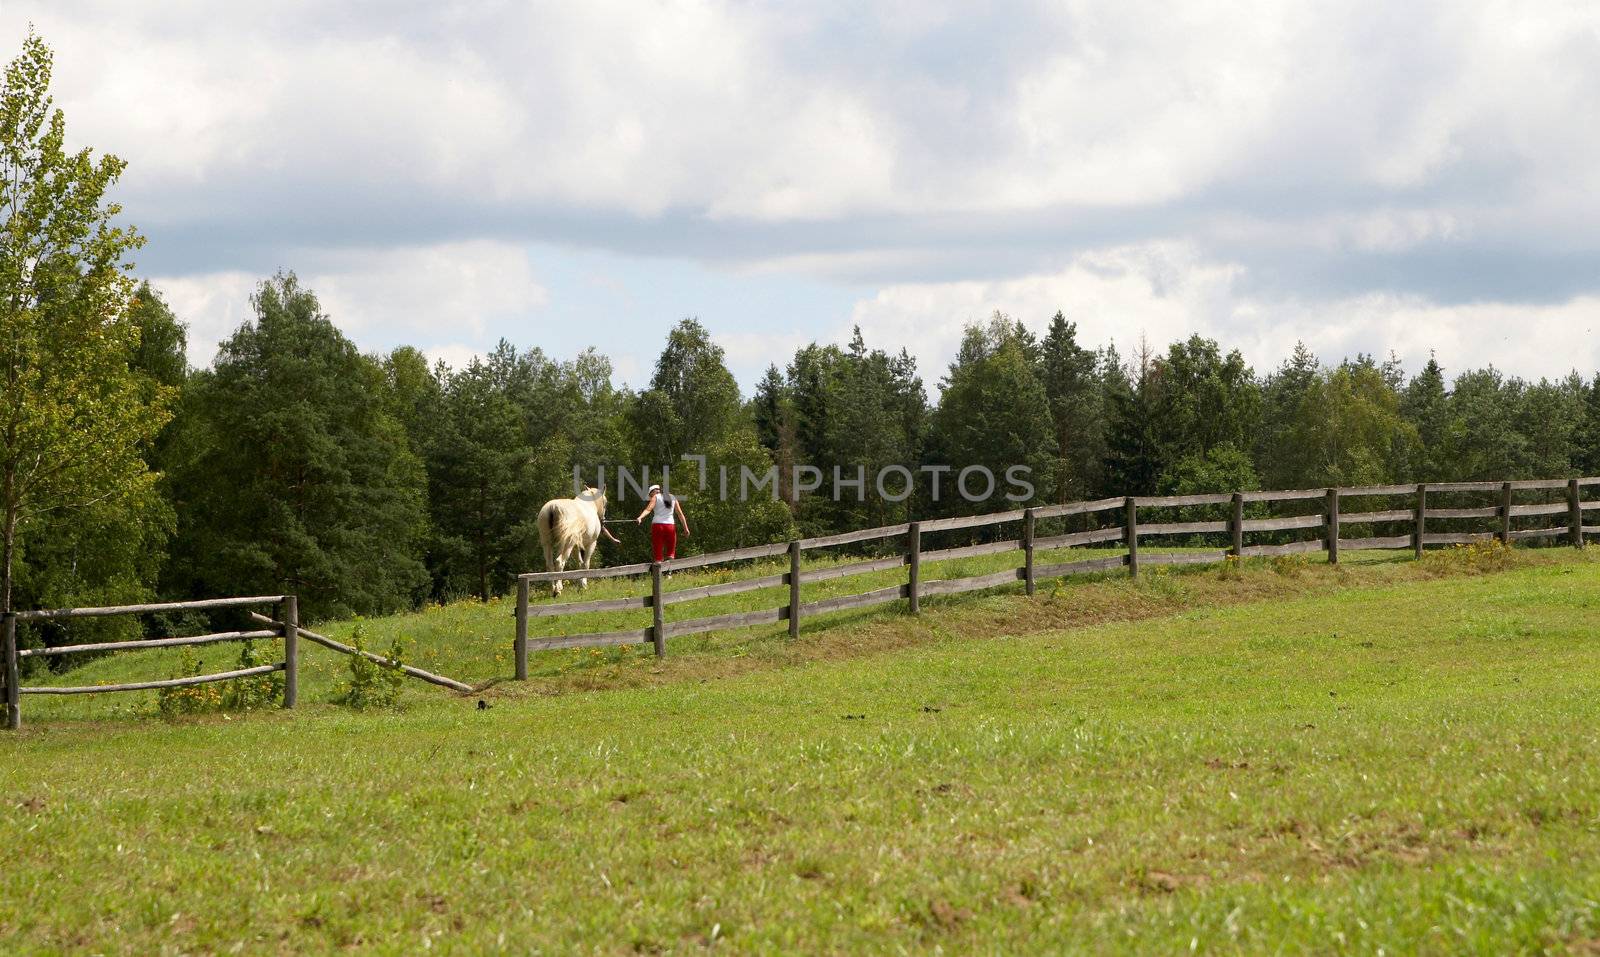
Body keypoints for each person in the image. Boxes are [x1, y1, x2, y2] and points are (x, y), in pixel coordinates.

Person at [636, 483, 690, 562]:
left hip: (658, 526)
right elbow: (680, 514)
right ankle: (669, 572)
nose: (650, 497)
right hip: (670, 526)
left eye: (650, 495)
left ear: (653, 492)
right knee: (671, 551)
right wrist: (686, 528)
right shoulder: (672, 497)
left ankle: (659, 571)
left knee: (658, 549)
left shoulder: (655, 497)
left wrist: (640, 517)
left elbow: (648, 509)